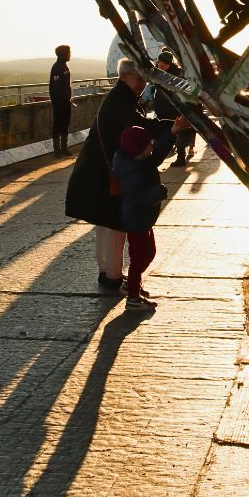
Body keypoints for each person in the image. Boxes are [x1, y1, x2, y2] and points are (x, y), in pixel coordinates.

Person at [65, 57, 182, 293]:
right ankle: (112, 276)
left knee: (106, 222)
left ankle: (108, 272)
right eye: (140, 78)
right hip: (105, 173)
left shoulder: (122, 97)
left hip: (100, 170)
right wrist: (172, 127)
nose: (143, 83)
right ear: (125, 76)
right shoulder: (121, 101)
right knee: (114, 223)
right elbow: (140, 127)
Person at [113, 124, 174, 311]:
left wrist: (172, 132)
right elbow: (136, 199)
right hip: (136, 221)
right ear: (139, 149)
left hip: (144, 220)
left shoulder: (140, 160)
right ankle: (133, 298)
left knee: (149, 253)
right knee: (138, 259)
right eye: (149, 144)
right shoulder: (133, 172)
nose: (152, 145)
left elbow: (157, 154)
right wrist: (157, 193)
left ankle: (131, 285)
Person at [154, 49, 194, 165]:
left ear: (166, 63)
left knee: (179, 132)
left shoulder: (171, 75)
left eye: (160, 61)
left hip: (173, 109)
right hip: (167, 109)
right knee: (177, 132)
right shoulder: (164, 73)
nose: (158, 63)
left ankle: (180, 158)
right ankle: (179, 156)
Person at [49, 44, 72, 157]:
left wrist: (68, 99)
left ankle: (64, 148)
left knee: (65, 124)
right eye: (69, 52)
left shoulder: (64, 66)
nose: (70, 55)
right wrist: (60, 102)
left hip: (66, 102)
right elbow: (55, 88)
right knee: (57, 125)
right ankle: (57, 151)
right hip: (59, 104)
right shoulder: (57, 67)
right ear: (64, 54)